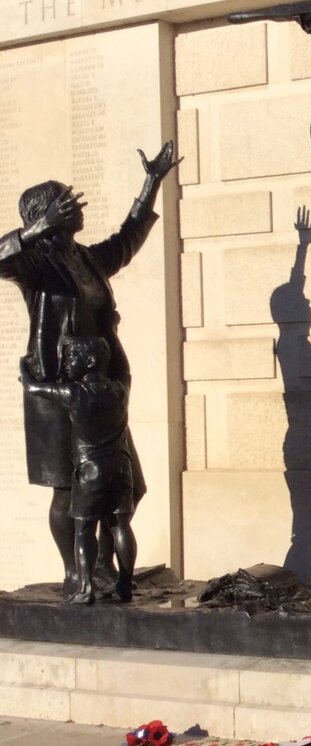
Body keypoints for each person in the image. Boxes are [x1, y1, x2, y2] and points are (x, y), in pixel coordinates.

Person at [0, 142, 178, 597]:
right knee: (67, 486)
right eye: (67, 201)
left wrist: (151, 183)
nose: (78, 206)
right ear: (49, 214)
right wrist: (37, 229)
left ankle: (100, 564)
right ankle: (74, 573)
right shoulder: (36, 264)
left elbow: (127, 240)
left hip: (101, 390)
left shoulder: (84, 260)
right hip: (56, 389)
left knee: (125, 484)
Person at [21, 337, 136, 606]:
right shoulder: (120, 389)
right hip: (121, 467)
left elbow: (32, 387)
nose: (68, 363)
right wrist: (113, 336)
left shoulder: (74, 392)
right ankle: (124, 583)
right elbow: (125, 369)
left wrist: (24, 366)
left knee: (84, 528)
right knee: (120, 525)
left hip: (91, 470)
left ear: (91, 361)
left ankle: (85, 588)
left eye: (74, 357)